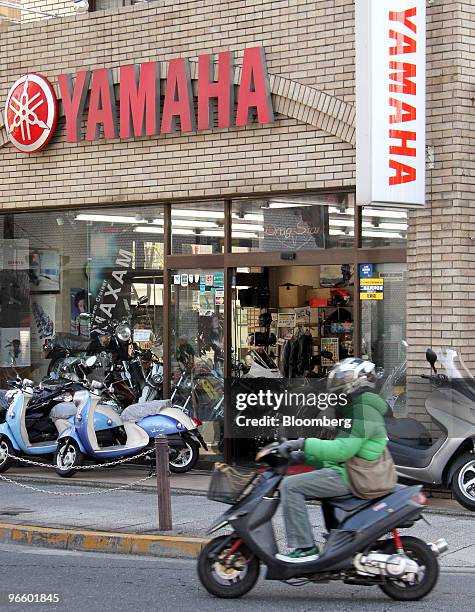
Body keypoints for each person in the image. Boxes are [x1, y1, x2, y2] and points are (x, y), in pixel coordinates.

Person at [275, 358, 389, 563]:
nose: (337, 386)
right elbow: (339, 455)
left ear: (356, 383)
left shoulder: (364, 410)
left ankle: (305, 547)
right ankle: (336, 544)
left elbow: (342, 451)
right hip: (353, 470)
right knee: (309, 482)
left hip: (357, 475)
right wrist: (303, 457)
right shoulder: (357, 408)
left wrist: (303, 443)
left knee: (290, 486)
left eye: (342, 380)